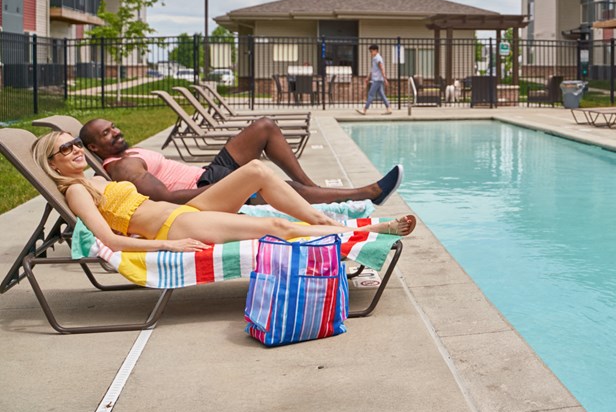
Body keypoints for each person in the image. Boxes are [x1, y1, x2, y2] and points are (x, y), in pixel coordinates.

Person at [34, 131, 416, 253]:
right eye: (64, 149)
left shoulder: (96, 178)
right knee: (273, 225)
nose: (75, 150)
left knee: (255, 170)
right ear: (53, 164)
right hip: (172, 228)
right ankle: (359, 233)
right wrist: (168, 247)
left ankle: (322, 218)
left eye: (76, 144)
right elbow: (110, 242)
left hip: (184, 211)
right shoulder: (76, 193)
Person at [80, 118, 402, 208]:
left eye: (113, 127)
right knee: (280, 188)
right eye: (106, 134)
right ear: (95, 146)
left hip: (207, 175)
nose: (115, 132)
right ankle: (366, 193)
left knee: (264, 128)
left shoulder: (126, 155)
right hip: (205, 190)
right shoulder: (122, 168)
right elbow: (164, 198)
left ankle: (313, 189)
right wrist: (229, 188)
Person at [356, 44, 392, 115]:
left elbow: (382, 68)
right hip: (377, 79)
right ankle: (388, 108)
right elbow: (373, 70)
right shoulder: (375, 58)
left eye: (371, 51)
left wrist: (385, 79)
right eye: (370, 51)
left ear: (376, 51)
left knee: (370, 94)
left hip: (377, 80)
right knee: (381, 94)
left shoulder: (377, 58)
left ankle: (364, 110)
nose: (371, 53)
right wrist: (368, 78)